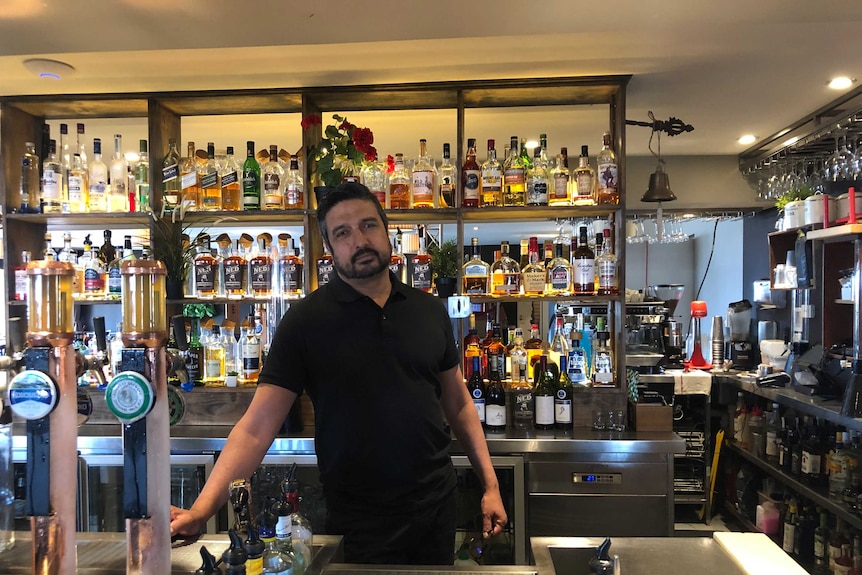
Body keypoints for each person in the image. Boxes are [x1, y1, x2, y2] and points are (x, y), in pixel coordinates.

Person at [170, 181, 507, 564]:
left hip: (436, 506)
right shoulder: (305, 322)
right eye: (342, 233)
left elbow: (458, 403)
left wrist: (490, 485)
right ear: (330, 249)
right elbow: (255, 427)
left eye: (368, 225)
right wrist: (200, 511)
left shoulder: (428, 310)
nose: (359, 240)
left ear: (386, 231)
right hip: (356, 517)